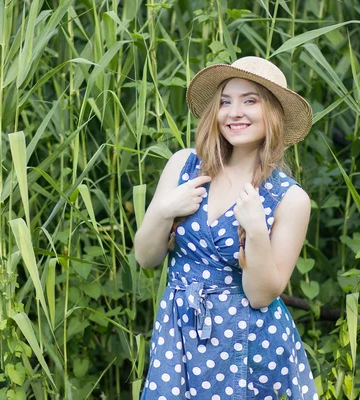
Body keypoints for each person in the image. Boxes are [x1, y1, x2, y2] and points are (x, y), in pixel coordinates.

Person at [134, 56, 318, 399]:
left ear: (273, 113)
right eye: (225, 102)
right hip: (180, 335)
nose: (235, 112)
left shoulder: (289, 199)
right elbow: (145, 257)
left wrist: (257, 234)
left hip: (249, 343)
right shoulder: (184, 166)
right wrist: (165, 211)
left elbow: (261, 294)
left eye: (250, 101)